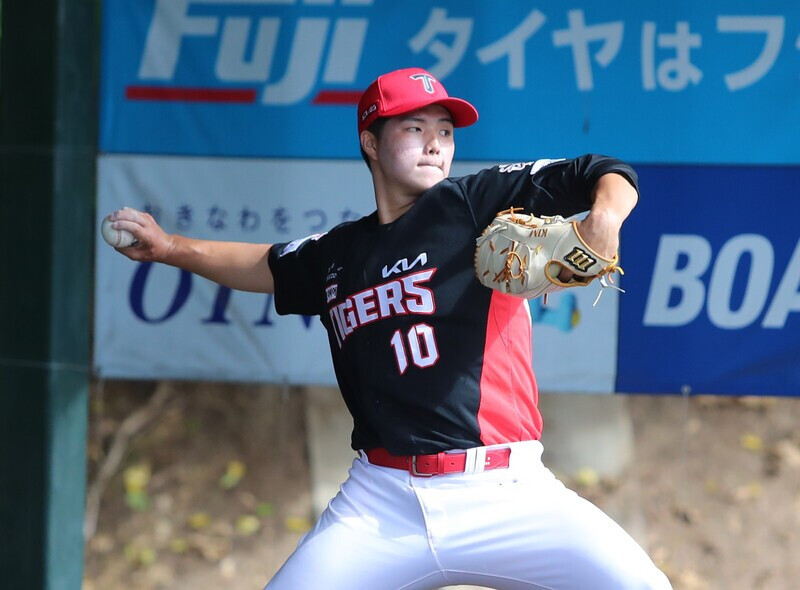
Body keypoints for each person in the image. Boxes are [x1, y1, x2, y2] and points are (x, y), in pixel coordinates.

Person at [108, 67, 672, 589]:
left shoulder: (472, 205)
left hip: (504, 489)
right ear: (371, 143)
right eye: (415, 128)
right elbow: (266, 266)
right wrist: (171, 247)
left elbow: (603, 171)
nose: (436, 143)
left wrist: (605, 218)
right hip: (381, 502)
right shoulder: (338, 253)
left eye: (445, 131)